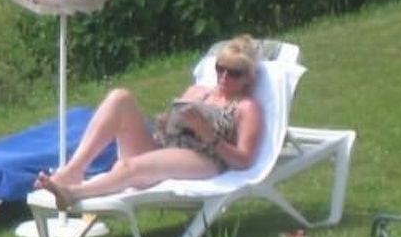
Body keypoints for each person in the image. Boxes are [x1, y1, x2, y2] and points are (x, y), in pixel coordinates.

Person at [35, 37, 265, 207]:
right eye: (220, 69)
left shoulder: (247, 108)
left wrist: (209, 135)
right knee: (120, 97)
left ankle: (74, 193)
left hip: (204, 158)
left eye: (234, 73)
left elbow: (244, 160)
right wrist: (166, 123)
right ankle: (74, 170)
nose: (224, 77)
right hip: (166, 146)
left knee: (127, 167)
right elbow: (172, 125)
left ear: (248, 77)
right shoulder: (199, 91)